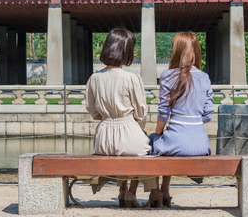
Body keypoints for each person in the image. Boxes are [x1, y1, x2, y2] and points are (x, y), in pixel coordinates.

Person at [85, 27, 158, 208]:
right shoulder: (132, 78)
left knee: (129, 146)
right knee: (142, 146)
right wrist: (138, 128)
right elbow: (141, 113)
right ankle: (130, 193)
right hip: (127, 128)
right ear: (127, 51)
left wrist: (107, 117)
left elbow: (93, 110)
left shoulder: (94, 78)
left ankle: (122, 190)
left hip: (103, 137)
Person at [149, 31, 214, 207]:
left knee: (154, 141)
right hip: (201, 144)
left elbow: (163, 113)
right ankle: (166, 190)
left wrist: (157, 132)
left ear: (177, 51)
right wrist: (191, 124)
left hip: (176, 141)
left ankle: (157, 192)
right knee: (166, 141)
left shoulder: (167, 76)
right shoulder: (205, 77)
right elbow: (208, 114)